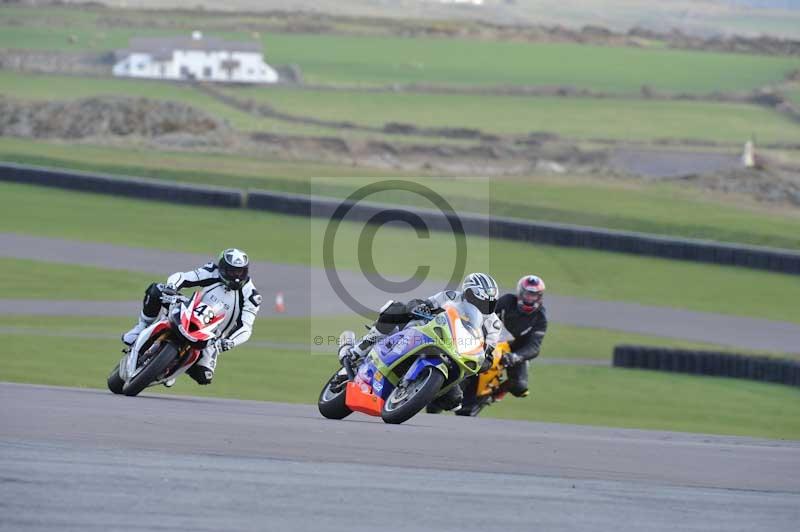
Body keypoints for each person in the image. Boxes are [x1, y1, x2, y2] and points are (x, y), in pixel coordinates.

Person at [339, 272, 503, 412]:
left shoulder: (494, 324)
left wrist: (483, 360)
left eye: (488, 303)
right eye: (478, 300)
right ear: (467, 293)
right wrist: (419, 307)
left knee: (454, 401)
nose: (483, 306)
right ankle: (358, 351)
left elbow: (487, 355)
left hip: (454, 355)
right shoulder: (450, 296)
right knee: (396, 309)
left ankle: (413, 390)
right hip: (425, 333)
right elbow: (423, 303)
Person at [121, 248, 261, 386]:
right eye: (232, 271)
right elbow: (184, 277)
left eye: (240, 271)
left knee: (203, 376)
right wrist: (171, 287)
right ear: (222, 268)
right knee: (156, 290)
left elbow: (246, 327)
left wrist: (229, 342)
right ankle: (142, 327)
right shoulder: (213, 272)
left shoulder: (251, 296)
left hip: (211, 337)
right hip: (190, 311)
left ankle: (171, 366)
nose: (236, 275)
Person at [492, 275, 548, 397]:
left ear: (539, 297)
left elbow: (534, 347)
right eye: (528, 294)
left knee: (520, 388)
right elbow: (486, 314)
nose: (530, 298)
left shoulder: (540, 318)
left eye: (534, 295)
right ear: (520, 292)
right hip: (492, 340)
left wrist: (516, 356)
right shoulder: (507, 301)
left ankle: (496, 394)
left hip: (514, 350)